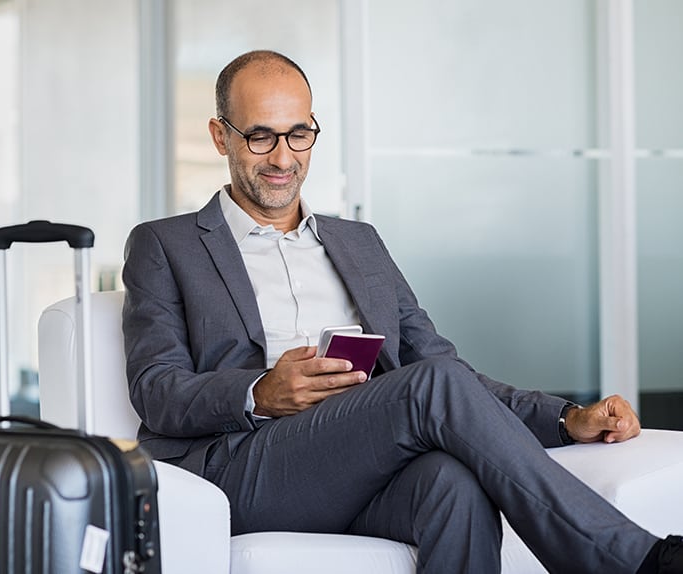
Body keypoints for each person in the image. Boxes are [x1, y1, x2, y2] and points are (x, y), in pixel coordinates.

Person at [121, 49, 682, 573]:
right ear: (221, 136)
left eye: (298, 134)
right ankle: (628, 557)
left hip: (355, 464)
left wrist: (564, 419)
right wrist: (259, 392)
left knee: (452, 483)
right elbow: (156, 388)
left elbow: (446, 372)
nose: (283, 157)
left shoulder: (358, 243)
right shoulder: (165, 244)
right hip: (243, 470)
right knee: (429, 387)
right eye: (261, 137)